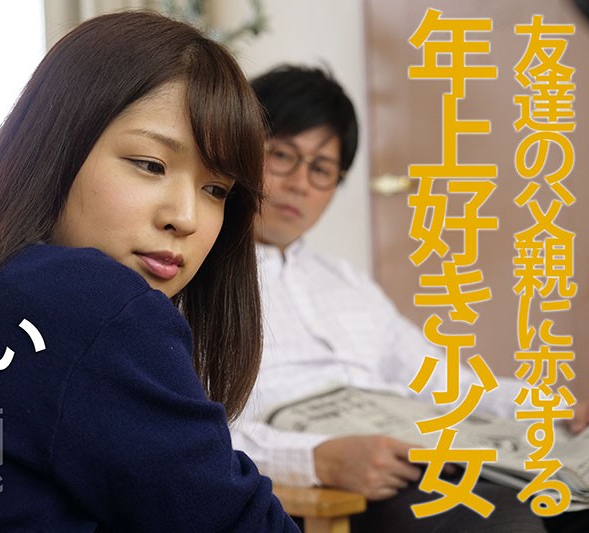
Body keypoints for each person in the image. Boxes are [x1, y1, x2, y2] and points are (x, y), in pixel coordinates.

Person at [0, 12, 300, 532]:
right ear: (59, 147)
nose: (185, 217)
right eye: (150, 164)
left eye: (216, 190)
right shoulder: (85, 302)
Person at [229, 64, 589, 532]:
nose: (299, 183)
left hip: (422, 446)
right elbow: (193, 434)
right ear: (239, 148)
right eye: (282, 155)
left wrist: (554, 409)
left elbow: (441, 379)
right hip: (338, 486)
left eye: (321, 169)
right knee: (502, 517)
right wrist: (314, 459)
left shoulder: (346, 282)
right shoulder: (193, 279)